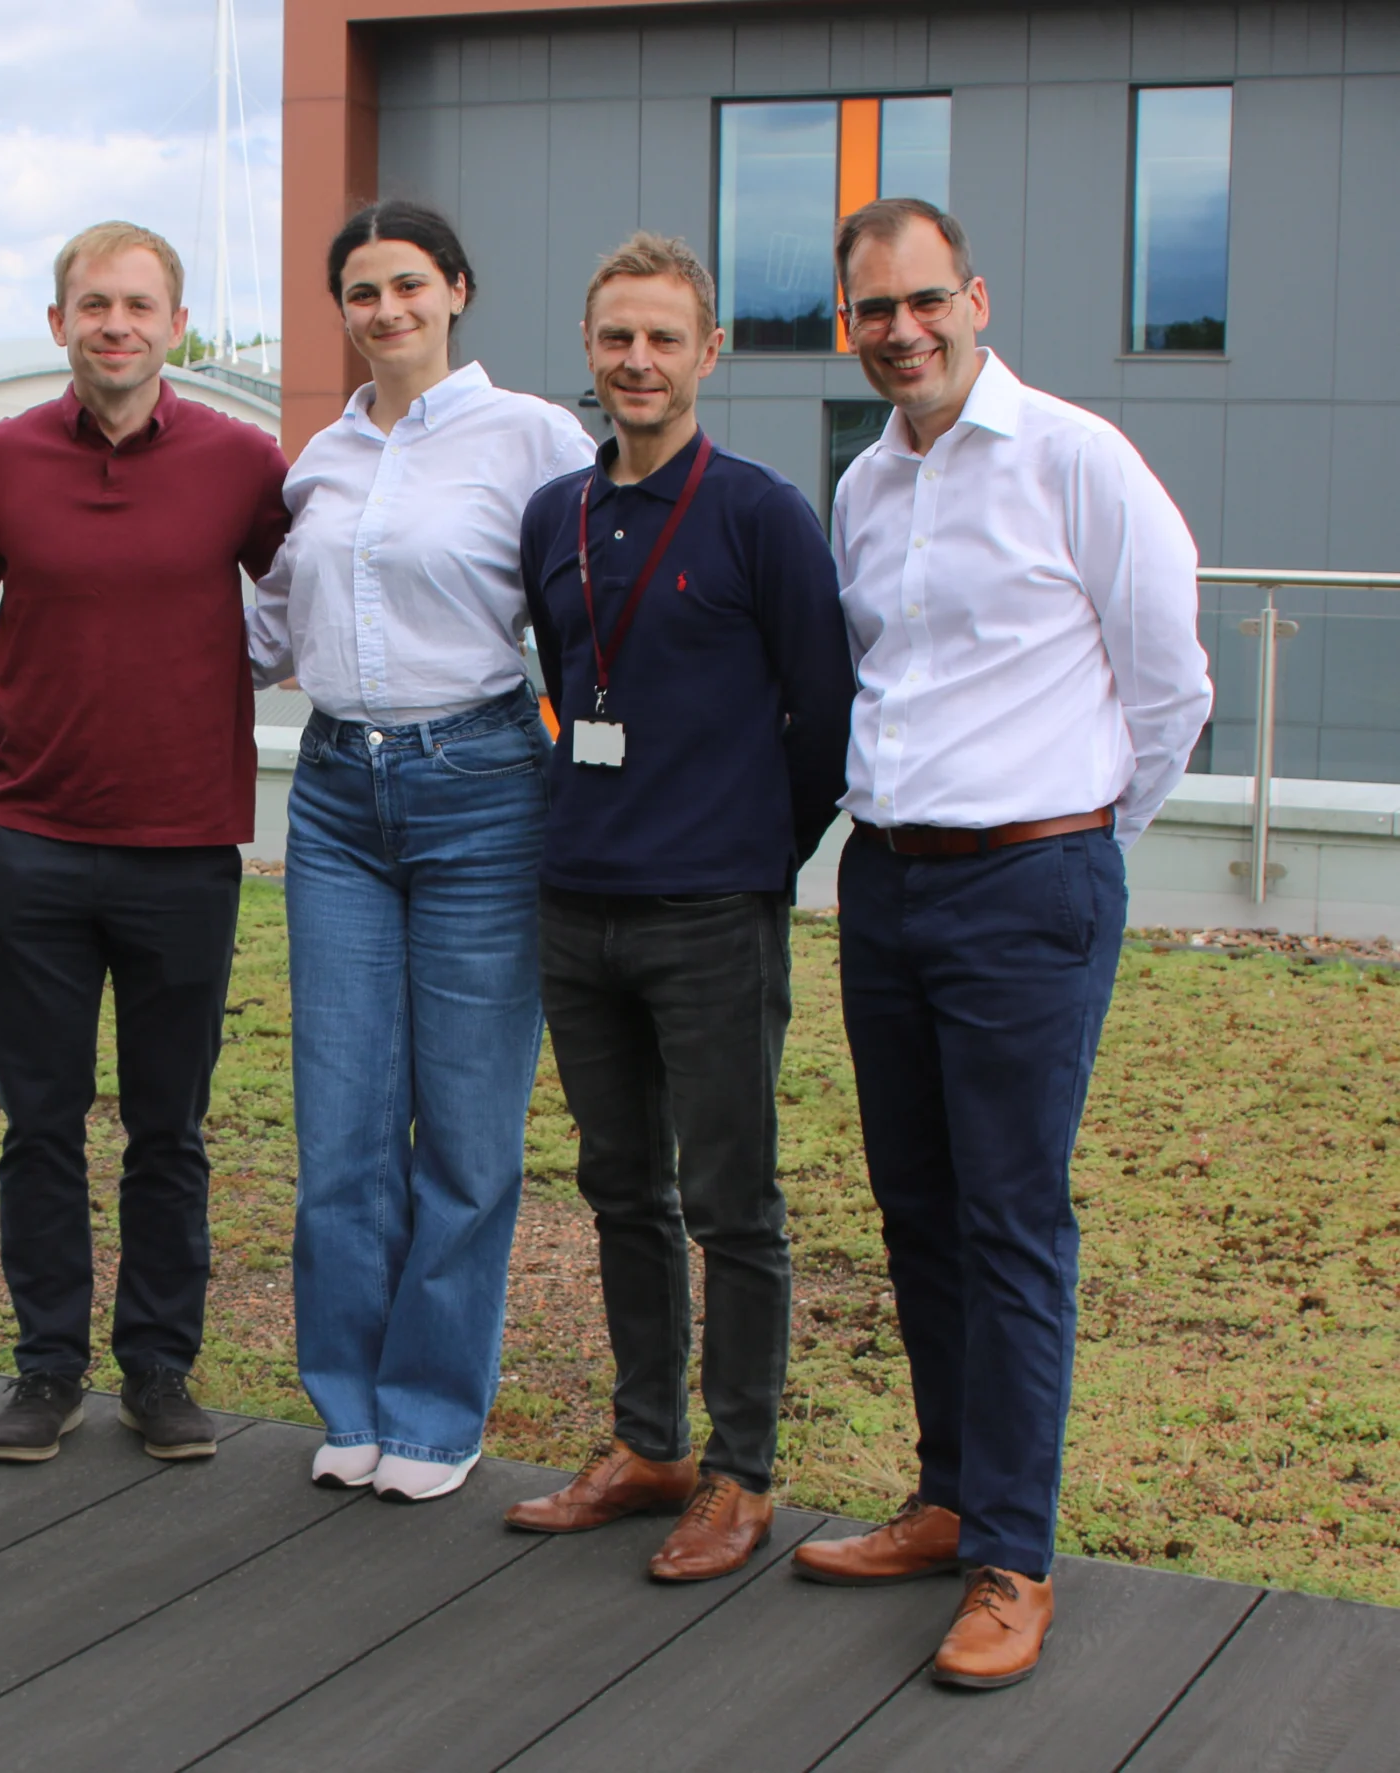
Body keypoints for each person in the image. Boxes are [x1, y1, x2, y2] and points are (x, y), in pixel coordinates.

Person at [801, 198, 1210, 1687]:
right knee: (915, 1206)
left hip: (1029, 884)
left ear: (973, 295)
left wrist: (1080, 841)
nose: (901, 330)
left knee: (1012, 1221)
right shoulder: (863, 486)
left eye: (923, 301)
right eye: (871, 310)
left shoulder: (1075, 459)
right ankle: (949, 1491)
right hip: (889, 886)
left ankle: (1013, 1558)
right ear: (848, 322)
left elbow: (1171, 685)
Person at [500, 233, 855, 1575]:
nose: (637, 361)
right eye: (614, 338)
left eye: (663, 338)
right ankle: (649, 1442)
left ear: (708, 353)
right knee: (617, 1187)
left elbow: (825, 719)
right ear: (589, 352)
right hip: (577, 904)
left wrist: (757, 858)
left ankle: (743, 1472)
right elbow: (568, 682)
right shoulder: (555, 516)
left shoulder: (761, 514)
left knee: (733, 1200)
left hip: (712, 913)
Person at [244, 201, 591, 1503]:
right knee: (338, 1127)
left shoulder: (534, 437)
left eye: (407, 285)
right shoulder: (321, 458)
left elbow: (583, 613)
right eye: (361, 292)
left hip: (483, 792)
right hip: (335, 796)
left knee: (464, 1129)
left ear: (456, 288)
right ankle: (348, 1399)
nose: (384, 310)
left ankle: (437, 1411)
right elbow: (266, 633)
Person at [0, 222, 289, 1466]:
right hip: (33, 842)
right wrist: (26, 697)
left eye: (139, 305)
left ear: (178, 326)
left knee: (171, 1125)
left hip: (185, 845)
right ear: (57, 324)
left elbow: (313, 591)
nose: (115, 325)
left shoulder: (241, 462)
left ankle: (157, 1365)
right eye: (92, 304)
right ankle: (45, 1366)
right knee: (37, 1123)